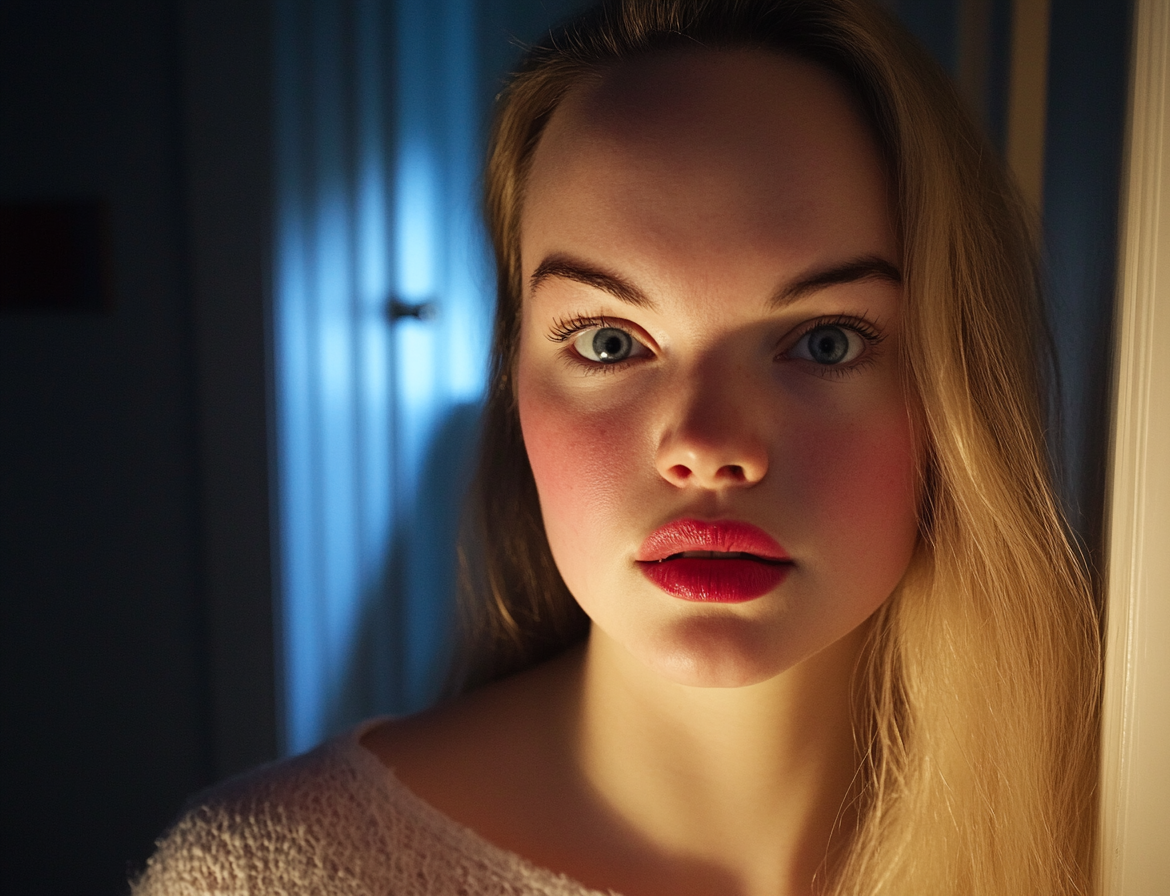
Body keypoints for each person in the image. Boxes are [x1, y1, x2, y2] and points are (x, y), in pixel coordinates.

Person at [135, 1, 1100, 894]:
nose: (708, 449)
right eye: (609, 342)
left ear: (958, 385)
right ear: (514, 380)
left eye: (825, 341)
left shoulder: (1150, 830)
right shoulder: (267, 877)